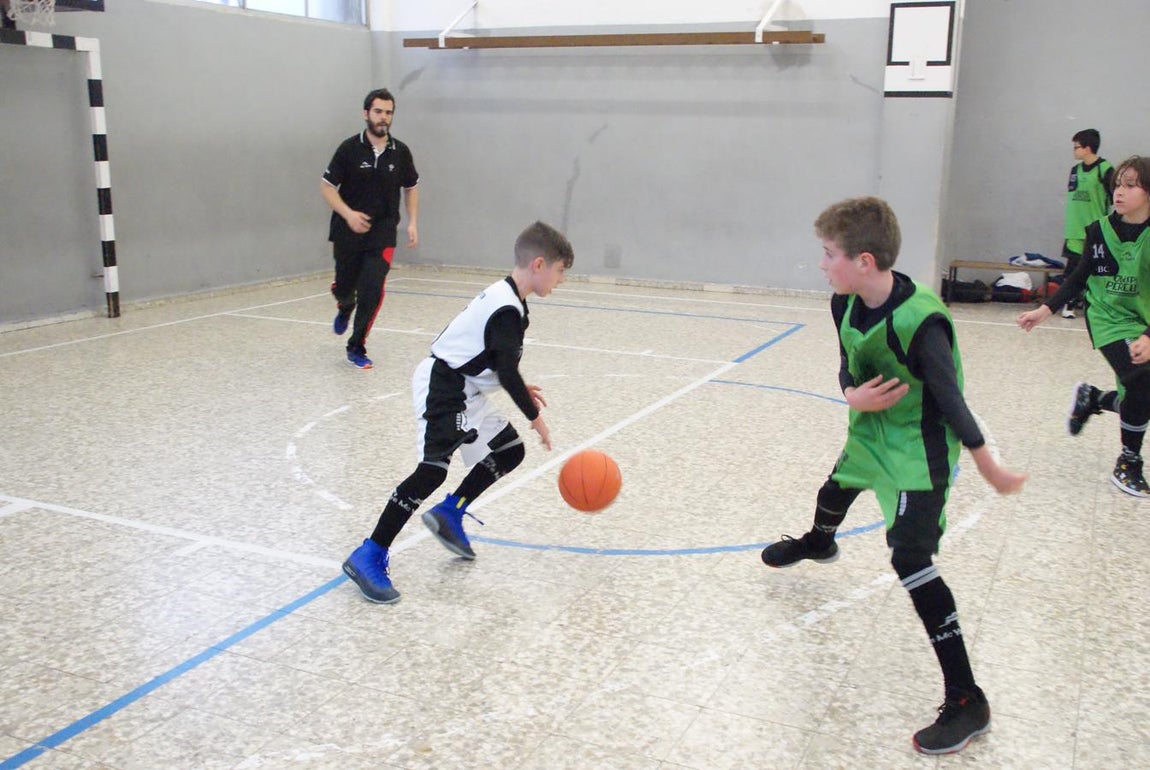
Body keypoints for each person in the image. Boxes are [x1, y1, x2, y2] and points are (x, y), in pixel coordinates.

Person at [759, 197, 1027, 755]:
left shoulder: (922, 320)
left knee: (910, 558)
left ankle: (966, 700)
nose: (822, 264)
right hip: (871, 428)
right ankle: (818, 543)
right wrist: (850, 394)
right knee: (833, 489)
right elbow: (844, 363)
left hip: (917, 446)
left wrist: (987, 464)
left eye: (829, 254)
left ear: (863, 260)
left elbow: (951, 398)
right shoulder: (845, 302)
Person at [342, 221, 574, 603]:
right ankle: (369, 553)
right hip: (443, 386)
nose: (561, 280)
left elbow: (496, 360)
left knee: (509, 450)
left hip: (463, 385)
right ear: (538, 264)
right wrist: (535, 416)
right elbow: (503, 365)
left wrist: (513, 382)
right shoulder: (506, 309)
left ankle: (452, 512)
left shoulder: (511, 300)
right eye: (561, 270)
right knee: (431, 470)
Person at [1018, 155, 1150, 496]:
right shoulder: (1099, 232)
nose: (1119, 192)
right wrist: (1045, 310)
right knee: (1142, 380)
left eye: (1130, 185)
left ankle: (1094, 398)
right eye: (1117, 184)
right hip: (1108, 317)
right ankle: (1128, 462)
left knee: (1142, 394)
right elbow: (1078, 278)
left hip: (1144, 320)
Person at [321, 88, 419, 369]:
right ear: (366, 114)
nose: (383, 118)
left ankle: (357, 346)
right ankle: (344, 303)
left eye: (388, 113)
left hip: (382, 233)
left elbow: (411, 188)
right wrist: (348, 214)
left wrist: (412, 222)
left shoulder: (400, 152)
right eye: (378, 111)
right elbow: (327, 188)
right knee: (345, 287)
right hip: (347, 232)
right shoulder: (348, 149)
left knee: (372, 289)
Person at [1059, 129, 1115, 318]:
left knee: (1098, 271)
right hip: (1074, 230)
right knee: (1072, 270)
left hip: (1095, 232)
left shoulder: (1106, 170)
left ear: (1088, 148)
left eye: (1077, 147)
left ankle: (1097, 305)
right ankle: (1068, 304)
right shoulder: (1075, 171)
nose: (1074, 151)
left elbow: (1114, 199)